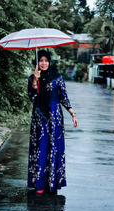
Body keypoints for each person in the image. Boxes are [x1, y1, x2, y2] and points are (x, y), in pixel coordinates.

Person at [27, 50, 78, 194]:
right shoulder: (32, 78)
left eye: (46, 61)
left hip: (55, 118)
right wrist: (36, 80)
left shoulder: (57, 78)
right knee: (41, 148)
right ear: (37, 63)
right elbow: (32, 98)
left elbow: (64, 97)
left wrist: (73, 114)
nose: (43, 63)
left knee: (53, 147)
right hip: (39, 118)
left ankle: (52, 183)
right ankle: (40, 184)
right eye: (41, 61)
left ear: (49, 62)